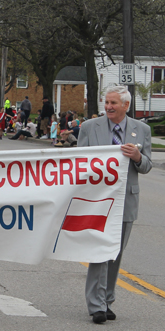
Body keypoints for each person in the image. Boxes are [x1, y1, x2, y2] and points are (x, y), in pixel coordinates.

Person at [77, 85, 152, 324]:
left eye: (113, 103)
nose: (108, 107)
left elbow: (148, 165)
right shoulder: (90, 128)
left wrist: (137, 157)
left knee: (115, 253)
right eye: (106, 103)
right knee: (99, 250)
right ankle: (96, 305)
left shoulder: (142, 130)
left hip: (126, 199)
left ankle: (107, 300)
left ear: (126, 106)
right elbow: (78, 161)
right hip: (98, 199)